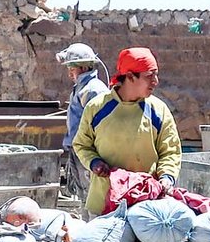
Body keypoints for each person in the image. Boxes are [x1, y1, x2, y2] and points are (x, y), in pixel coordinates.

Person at [71, 46, 183, 217]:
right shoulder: (97, 107)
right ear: (130, 77)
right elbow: (81, 144)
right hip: (105, 202)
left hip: (147, 202)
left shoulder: (158, 110)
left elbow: (170, 151)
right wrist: (94, 162)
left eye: (156, 74)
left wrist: (167, 177)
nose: (155, 81)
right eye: (149, 76)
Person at [56, 43, 108, 201]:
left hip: (90, 152)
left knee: (92, 196)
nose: (70, 74)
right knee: (83, 194)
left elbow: (101, 125)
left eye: (72, 69)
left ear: (84, 68)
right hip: (79, 150)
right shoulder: (82, 88)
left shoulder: (93, 90)